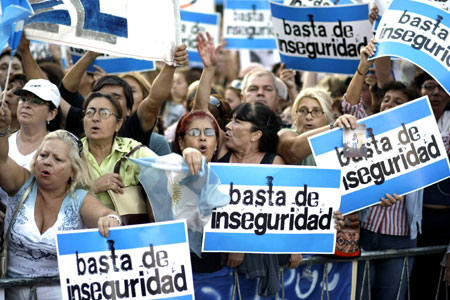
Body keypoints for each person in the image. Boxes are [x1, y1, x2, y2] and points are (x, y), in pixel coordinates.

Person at [0, 104, 120, 299]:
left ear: (73, 171)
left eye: (57, 159)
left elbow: (106, 215)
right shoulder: (21, 183)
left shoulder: (79, 199)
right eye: (43, 155)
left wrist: (111, 219)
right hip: (11, 292)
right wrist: (3, 129)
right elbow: (1, 160)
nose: (47, 162)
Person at [343, 39, 422, 300]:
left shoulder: (422, 138)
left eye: (398, 101)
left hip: (400, 237)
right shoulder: (362, 135)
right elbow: (350, 106)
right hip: (365, 231)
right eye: (386, 99)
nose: (389, 104)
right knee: (360, 295)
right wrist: (364, 65)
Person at [81, 92, 157, 220]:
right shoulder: (70, 151)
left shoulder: (132, 150)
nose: (95, 118)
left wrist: (190, 154)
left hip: (128, 231)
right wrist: (92, 187)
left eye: (104, 113)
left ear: (118, 124)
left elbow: (165, 172)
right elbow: (52, 195)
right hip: (81, 230)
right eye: (89, 112)